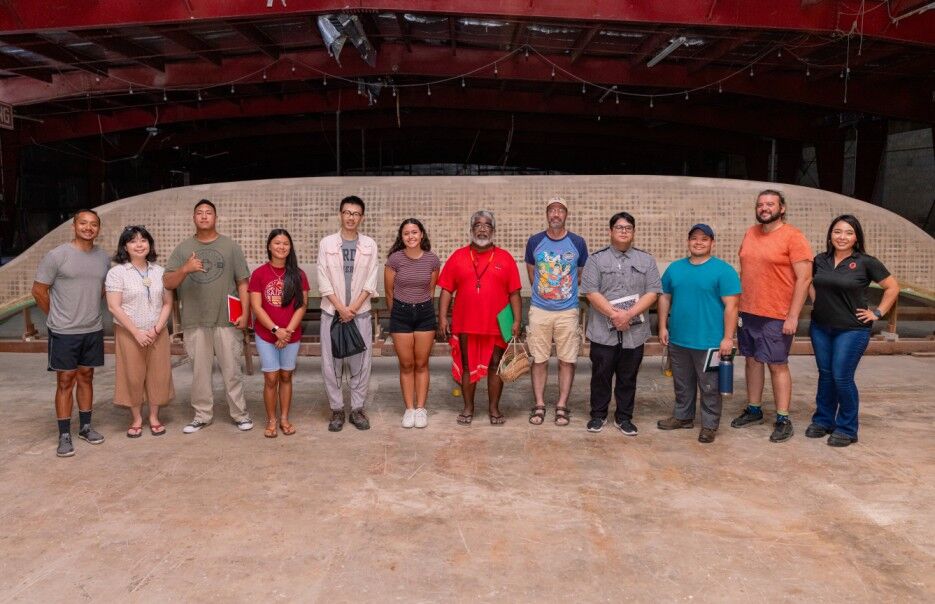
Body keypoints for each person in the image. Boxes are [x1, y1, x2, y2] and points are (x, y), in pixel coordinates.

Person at [806, 214, 899, 447]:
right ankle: (823, 420)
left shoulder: (866, 262)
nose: (842, 237)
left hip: (852, 330)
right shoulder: (820, 260)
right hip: (820, 327)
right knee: (825, 375)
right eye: (837, 231)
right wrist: (818, 303)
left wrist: (877, 313)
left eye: (848, 232)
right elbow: (810, 283)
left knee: (841, 376)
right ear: (830, 234)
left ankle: (847, 428)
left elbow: (892, 287)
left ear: (856, 237)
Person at [164, 199, 253, 433]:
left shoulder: (230, 246)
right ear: (193, 218)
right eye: (199, 213)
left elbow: (243, 282)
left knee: (232, 370)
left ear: (216, 217)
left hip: (227, 319)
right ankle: (202, 415)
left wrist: (245, 313)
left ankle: (240, 414)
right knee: (199, 373)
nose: (204, 216)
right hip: (195, 320)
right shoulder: (183, 249)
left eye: (208, 213)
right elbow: (167, 281)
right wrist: (185, 268)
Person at [731, 189, 813, 443]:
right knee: (752, 360)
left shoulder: (793, 237)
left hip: (777, 314)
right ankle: (754, 409)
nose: (764, 208)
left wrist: (792, 316)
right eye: (760, 204)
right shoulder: (750, 233)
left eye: (770, 204)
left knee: (777, 364)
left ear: (782, 208)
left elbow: (805, 278)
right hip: (749, 311)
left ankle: (782, 417)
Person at [32, 209, 111, 457]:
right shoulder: (57, 256)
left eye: (94, 224)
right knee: (65, 380)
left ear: (98, 229)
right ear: (74, 226)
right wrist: (56, 317)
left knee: (86, 376)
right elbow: (39, 291)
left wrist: (87, 310)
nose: (88, 228)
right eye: (83, 223)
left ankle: (86, 427)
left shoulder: (103, 257)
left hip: (92, 328)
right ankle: (64, 434)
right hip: (64, 332)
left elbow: (101, 289)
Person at [656, 224, 741, 443]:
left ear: (712, 243)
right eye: (694, 238)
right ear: (688, 242)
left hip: (710, 342)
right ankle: (683, 417)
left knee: (710, 386)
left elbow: (732, 306)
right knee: (682, 383)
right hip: (679, 339)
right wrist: (663, 326)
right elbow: (664, 297)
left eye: (704, 239)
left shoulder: (724, 271)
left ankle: (710, 425)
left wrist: (728, 338)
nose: (698, 242)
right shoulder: (675, 269)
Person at [580, 211, 661, 436]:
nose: (624, 231)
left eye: (628, 228)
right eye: (619, 227)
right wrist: (615, 315)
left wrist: (628, 315)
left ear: (633, 232)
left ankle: (624, 417)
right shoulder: (596, 259)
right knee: (601, 375)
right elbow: (590, 291)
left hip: (634, 332)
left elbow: (653, 291)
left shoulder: (646, 260)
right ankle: (598, 415)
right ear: (610, 231)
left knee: (628, 376)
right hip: (602, 330)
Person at [437, 210, 521, 426]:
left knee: (495, 366)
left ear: (493, 231)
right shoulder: (458, 256)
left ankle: (494, 409)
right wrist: (442, 318)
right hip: (466, 323)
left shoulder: (505, 258)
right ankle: (468, 408)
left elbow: (514, 293)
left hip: (497, 324)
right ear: (471, 229)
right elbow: (446, 289)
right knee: (467, 366)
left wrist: (517, 321)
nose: (482, 229)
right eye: (478, 225)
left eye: (487, 225)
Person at [317, 195, 380, 432]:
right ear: (340, 214)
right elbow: (323, 278)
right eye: (347, 212)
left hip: (359, 313)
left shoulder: (370, 245)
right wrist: (341, 308)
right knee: (331, 364)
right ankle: (336, 409)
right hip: (332, 312)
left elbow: (371, 280)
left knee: (360, 364)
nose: (351, 217)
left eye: (355, 214)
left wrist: (352, 309)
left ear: (361, 217)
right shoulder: (327, 244)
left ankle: (356, 409)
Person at [105, 226, 174, 438]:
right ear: (125, 246)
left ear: (149, 245)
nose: (139, 244)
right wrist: (136, 332)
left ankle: (154, 416)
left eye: (143, 240)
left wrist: (155, 329)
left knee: (158, 374)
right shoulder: (117, 272)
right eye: (133, 241)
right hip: (129, 333)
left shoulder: (160, 272)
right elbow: (113, 306)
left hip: (157, 331)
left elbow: (167, 303)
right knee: (132, 376)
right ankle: (136, 418)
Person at [524, 196, 588, 427]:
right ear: (547, 214)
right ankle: (539, 404)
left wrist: (562, 290)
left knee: (567, 359)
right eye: (552, 210)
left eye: (560, 210)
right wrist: (546, 291)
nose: (556, 214)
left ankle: (561, 405)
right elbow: (532, 273)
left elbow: (579, 274)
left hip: (567, 310)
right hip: (540, 309)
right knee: (539, 359)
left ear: (566, 215)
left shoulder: (578, 242)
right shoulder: (535, 241)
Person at [249, 229, 309, 438]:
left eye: (285, 243)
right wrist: (276, 331)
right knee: (271, 378)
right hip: (266, 335)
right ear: (269, 246)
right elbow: (256, 307)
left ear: (290, 247)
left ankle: (284, 418)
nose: (281, 247)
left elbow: (302, 306)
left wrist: (288, 331)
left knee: (286, 375)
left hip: (291, 334)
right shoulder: (259, 274)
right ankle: (271, 420)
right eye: (277, 243)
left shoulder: (298, 274)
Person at [385, 218, 440, 429]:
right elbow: (389, 292)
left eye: (414, 232)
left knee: (422, 363)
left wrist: (421, 307)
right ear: (402, 237)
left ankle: (420, 408)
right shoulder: (394, 260)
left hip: (425, 313)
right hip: (401, 313)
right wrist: (398, 312)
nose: (411, 236)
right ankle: (408, 409)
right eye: (406, 233)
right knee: (406, 364)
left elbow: (431, 290)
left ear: (422, 235)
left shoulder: (432, 260)